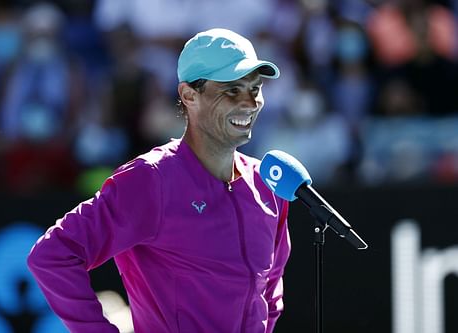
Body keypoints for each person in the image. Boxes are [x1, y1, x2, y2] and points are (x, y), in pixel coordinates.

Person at [27, 28, 291, 333]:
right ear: (189, 95)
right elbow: (51, 255)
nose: (250, 102)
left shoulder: (268, 187)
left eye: (255, 89)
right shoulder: (149, 179)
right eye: (232, 90)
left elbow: (270, 291)